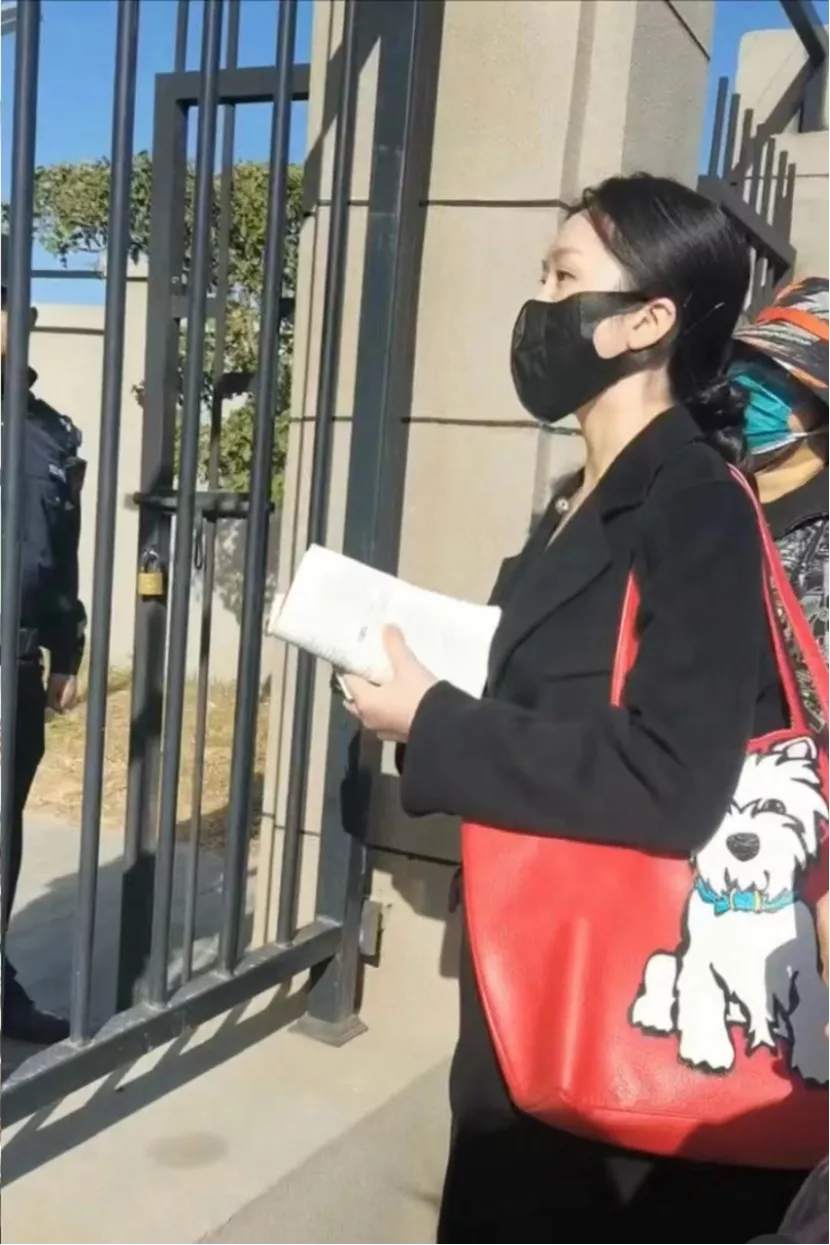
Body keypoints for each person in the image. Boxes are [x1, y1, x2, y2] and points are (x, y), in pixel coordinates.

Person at [342, 173, 810, 1243]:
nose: (539, 304)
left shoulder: (695, 503)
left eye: (563, 277)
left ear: (646, 321)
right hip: (539, 985)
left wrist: (432, 721)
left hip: (631, 1052)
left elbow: (671, 780)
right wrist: (428, 684)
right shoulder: (578, 498)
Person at [731, 279, 830, 985]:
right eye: (745, 364)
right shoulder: (711, 496)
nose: (749, 388)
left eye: (778, 377)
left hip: (793, 871)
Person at [1, 233, 86, 1044]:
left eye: (13, 305)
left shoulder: (48, 433)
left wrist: (69, 648)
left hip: (18, 663)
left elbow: (62, 550)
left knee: (4, 834)